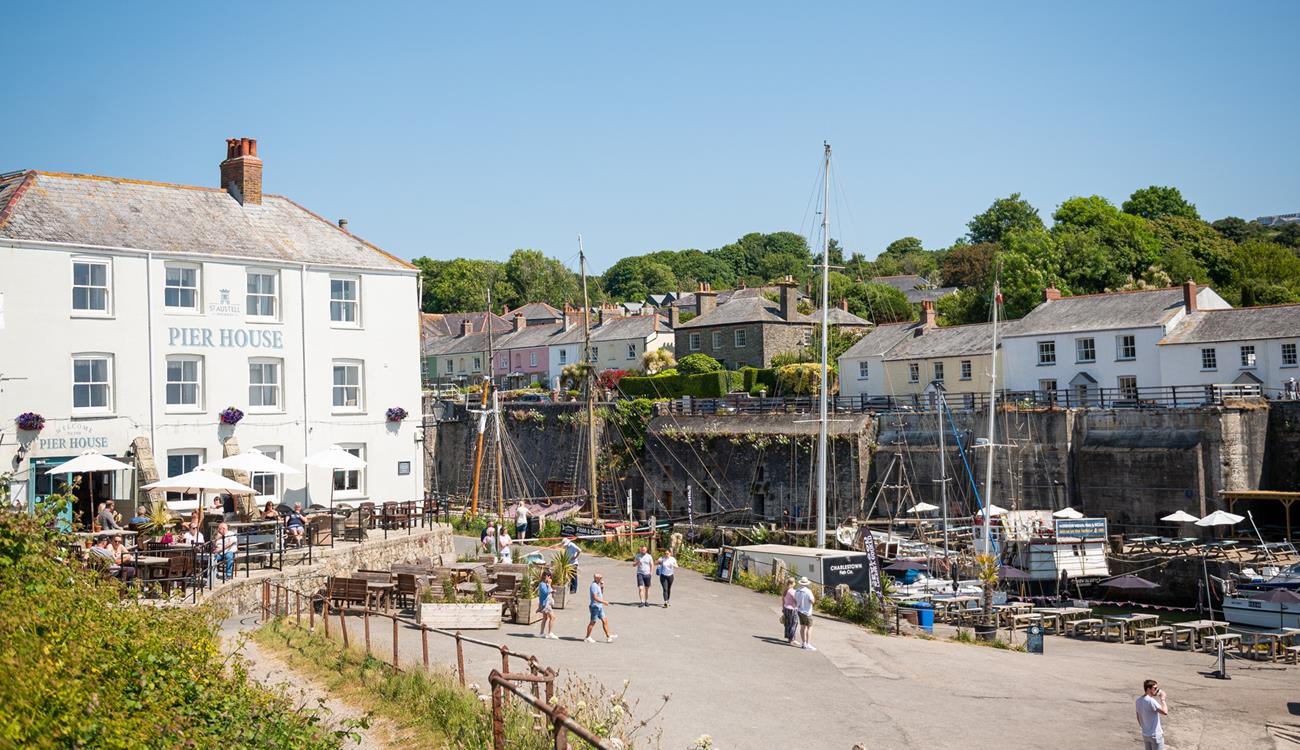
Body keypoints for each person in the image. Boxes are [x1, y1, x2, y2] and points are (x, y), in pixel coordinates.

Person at [1135, 679, 1169, 750]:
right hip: (1155, 735)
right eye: (1155, 688)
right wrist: (1163, 699)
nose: (1157, 690)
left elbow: (1138, 717)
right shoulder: (1151, 701)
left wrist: (1145, 728)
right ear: (1148, 689)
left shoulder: (1138, 700)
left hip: (1146, 735)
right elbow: (1165, 712)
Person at [584, 572, 617, 643]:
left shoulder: (598, 585)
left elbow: (600, 594)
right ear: (596, 578)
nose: (601, 579)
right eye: (600, 578)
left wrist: (602, 587)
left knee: (605, 620)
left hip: (599, 607)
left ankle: (608, 636)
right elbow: (595, 597)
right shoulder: (593, 586)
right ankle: (587, 637)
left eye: (602, 578)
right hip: (595, 607)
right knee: (593, 622)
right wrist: (604, 602)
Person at [794, 577, 816, 651]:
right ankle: (808, 643)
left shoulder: (797, 590)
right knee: (809, 627)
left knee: (802, 627)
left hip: (799, 610)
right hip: (807, 611)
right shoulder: (808, 591)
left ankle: (803, 643)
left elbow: (795, 599)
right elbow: (812, 601)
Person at [536, 569, 558, 639]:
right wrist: (549, 584)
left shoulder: (545, 584)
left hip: (546, 603)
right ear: (546, 576)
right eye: (549, 576)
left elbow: (549, 591)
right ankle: (550, 633)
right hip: (545, 604)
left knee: (545, 618)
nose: (550, 578)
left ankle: (541, 633)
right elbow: (546, 592)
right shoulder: (542, 584)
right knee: (553, 617)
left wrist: (552, 590)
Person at [781, 577, 799, 645]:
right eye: (794, 582)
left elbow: (783, 600)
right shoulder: (793, 591)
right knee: (794, 623)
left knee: (788, 624)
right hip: (792, 609)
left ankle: (789, 638)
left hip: (786, 608)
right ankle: (792, 639)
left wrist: (783, 608)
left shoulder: (785, 590)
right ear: (792, 583)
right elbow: (796, 600)